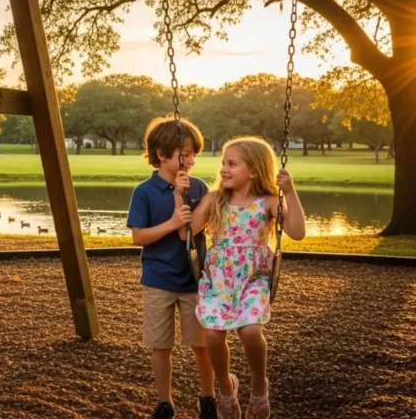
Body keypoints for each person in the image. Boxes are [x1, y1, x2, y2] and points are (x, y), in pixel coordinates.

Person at [190, 137, 307, 419]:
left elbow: (297, 231)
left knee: (251, 331)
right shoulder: (215, 199)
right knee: (214, 336)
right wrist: (179, 197)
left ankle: (258, 385)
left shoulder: (267, 202)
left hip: (253, 279)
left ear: (253, 171)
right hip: (218, 280)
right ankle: (226, 387)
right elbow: (187, 233)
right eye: (223, 163)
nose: (224, 169)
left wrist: (289, 192)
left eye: (232, 164)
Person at [128, 116, 217, 419]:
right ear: (162, 154)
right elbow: (139, 236)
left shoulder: (200, 187)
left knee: (201, 345)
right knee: (160, 346)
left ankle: (208, 397)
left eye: (194, 154)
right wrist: (171, 223)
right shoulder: (144, 192)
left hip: (194, 278)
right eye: (186, 154)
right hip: (157, 279)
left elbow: (195, 231)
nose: (191, 160)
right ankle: (164, 402)